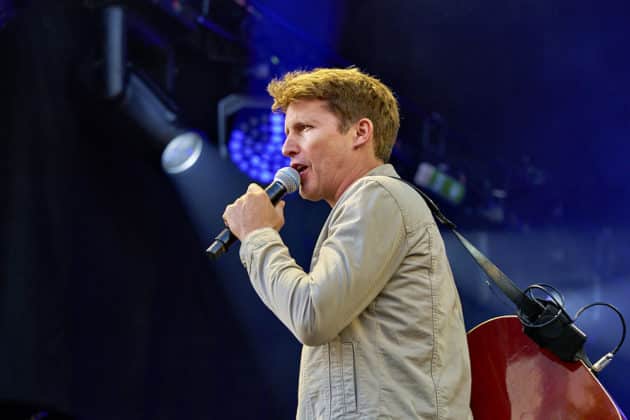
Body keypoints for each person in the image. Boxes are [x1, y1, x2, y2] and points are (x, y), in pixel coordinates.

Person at [222, 67, 472, 419]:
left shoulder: (377, 195)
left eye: (304, 129)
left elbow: (313, 316)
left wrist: (258, 237)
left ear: (360, 132)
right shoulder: (367, 204)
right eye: (287, 132)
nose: (286, 147)